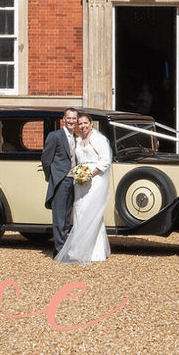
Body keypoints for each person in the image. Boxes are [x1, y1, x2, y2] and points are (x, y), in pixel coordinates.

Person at [54, 112, 113, 264]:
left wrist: (91, 174)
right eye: (80, 124)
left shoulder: (97, 138)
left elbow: (106, 160)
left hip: (95, 179)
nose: (82, 126)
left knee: (92, 212)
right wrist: (80, 174)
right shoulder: (78, 139)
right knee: (80, 211)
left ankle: (95, 251)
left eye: (85, 123)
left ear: (91, 123)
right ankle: (79, 249)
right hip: (80, 181)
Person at [41, 108, 81, 254]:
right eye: (69, 118)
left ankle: (64, 247)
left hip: (73, 181)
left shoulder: (76, 137)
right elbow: (46, 159)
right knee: (59, 216)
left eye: (74, 118)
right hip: (61, 180)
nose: (71, 121)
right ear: (64, 119)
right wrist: (52, 177)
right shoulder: (55, 136)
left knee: (66, 216)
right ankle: (59, 250)